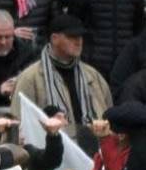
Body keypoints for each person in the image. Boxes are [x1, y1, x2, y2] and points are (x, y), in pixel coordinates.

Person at [10, 15, 111, 147]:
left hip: (94, 151)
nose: (78, 41)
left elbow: (109, 116)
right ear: (54, 39)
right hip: (50, 154)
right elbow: (18, 124)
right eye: (71, 37)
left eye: (80, 37)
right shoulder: (30, 78)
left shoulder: (93, 76)